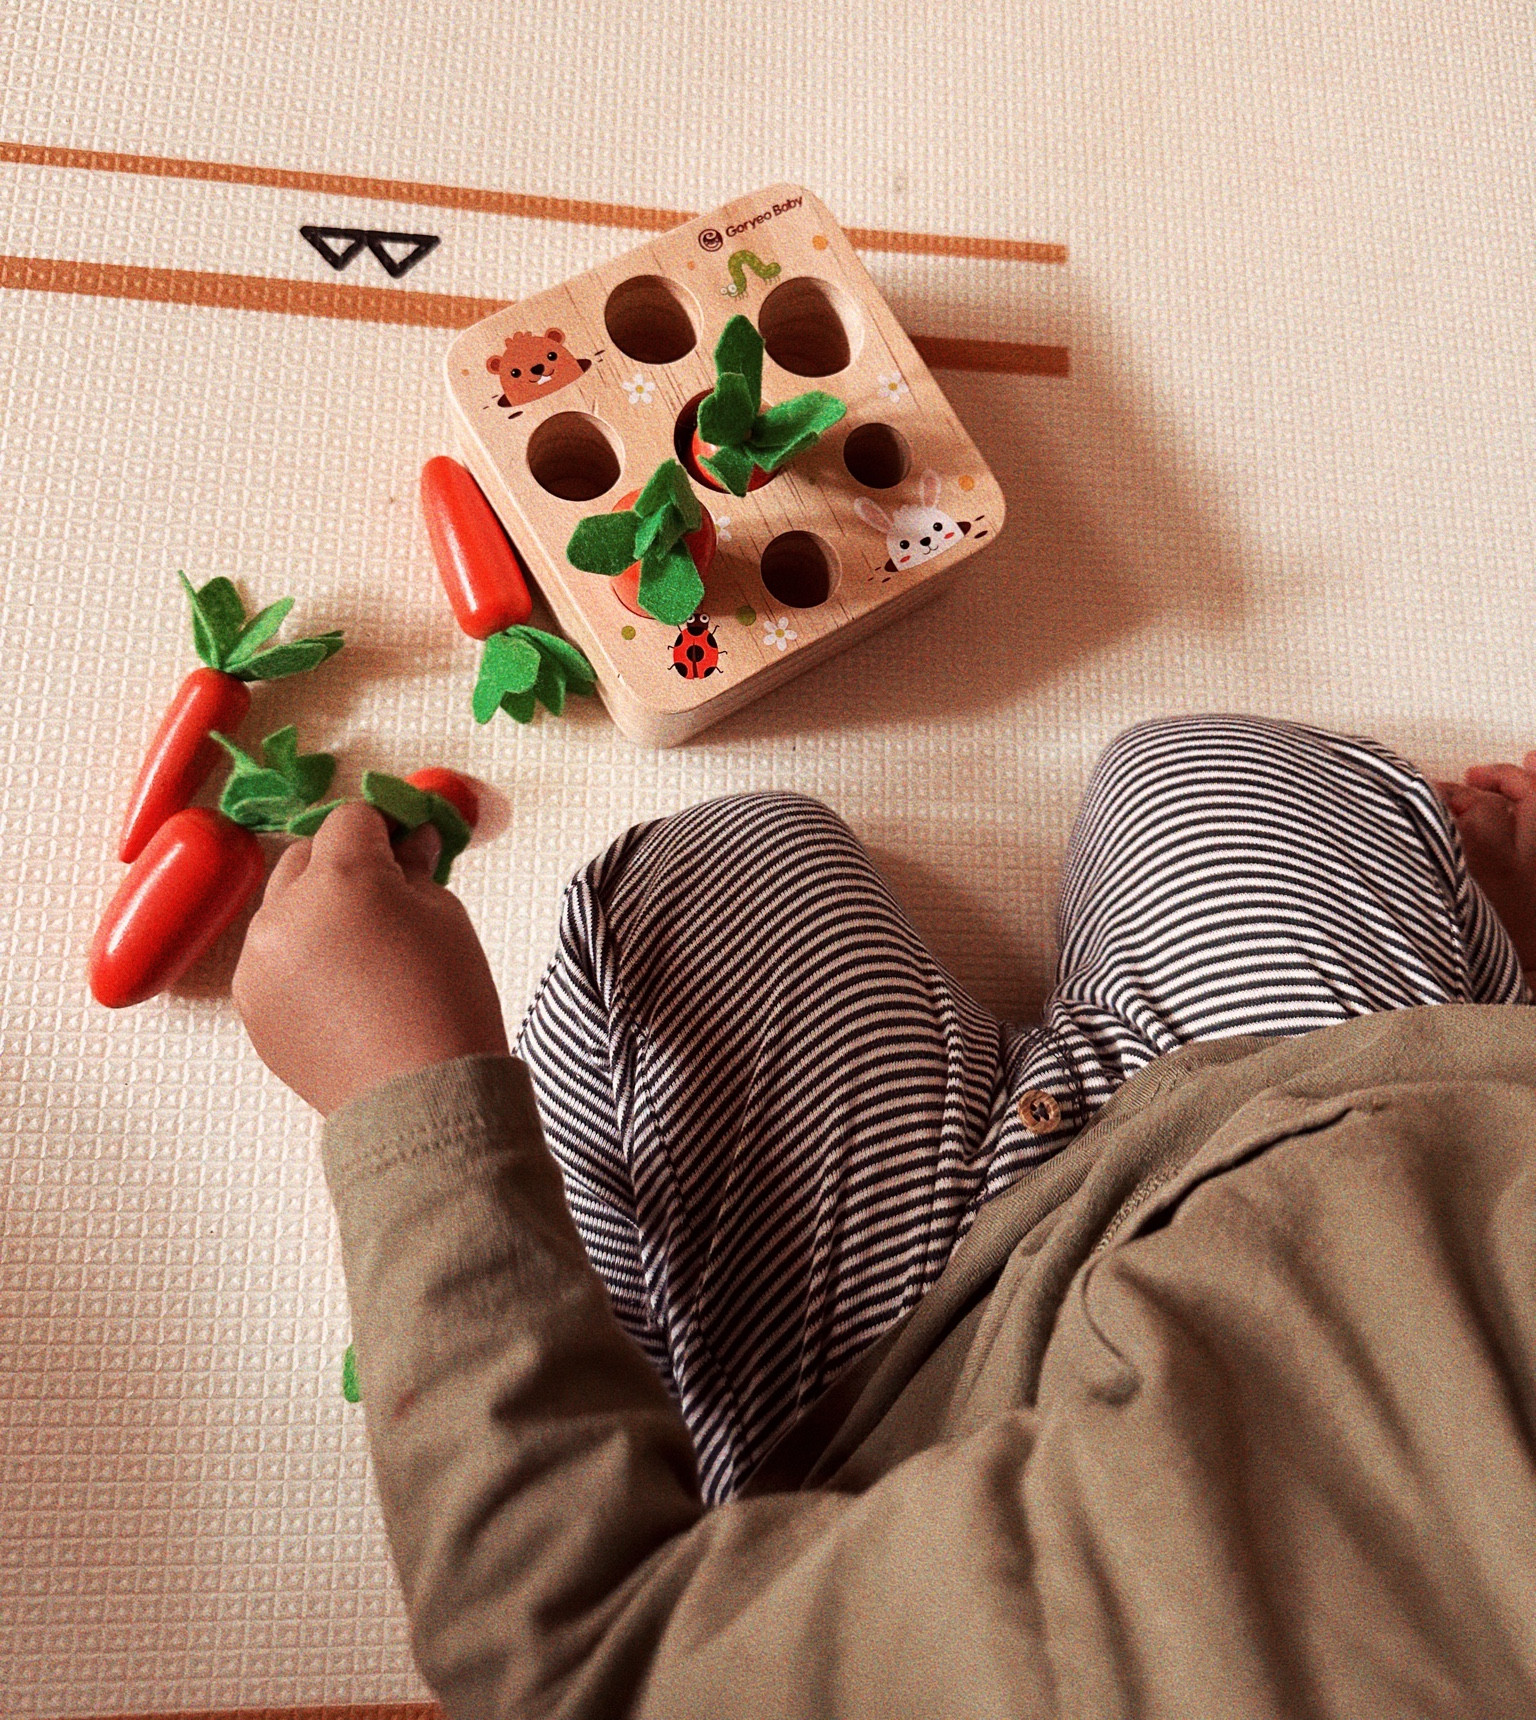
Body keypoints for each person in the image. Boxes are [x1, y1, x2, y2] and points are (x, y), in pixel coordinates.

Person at [233, 716, 1536, 1717]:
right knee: (1222, 775)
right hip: (1397, 1112)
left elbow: (571, 1668)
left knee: (717, 874)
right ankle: (1490, 978)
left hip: (920, 1381)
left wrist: (404, 1091)